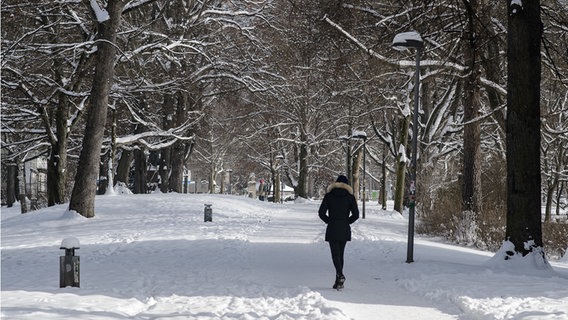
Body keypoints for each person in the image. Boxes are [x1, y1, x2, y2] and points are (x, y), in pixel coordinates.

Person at [318, 175, 359, 289]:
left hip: (332, 228)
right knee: (341, 254)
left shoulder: (329, 196)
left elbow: (321, 213)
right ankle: (339, 281)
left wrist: (329, 221)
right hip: (344, 228)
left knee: (335, 254)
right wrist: (347, 222)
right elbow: (356, 215)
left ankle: (340, 276)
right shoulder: (350, 197)